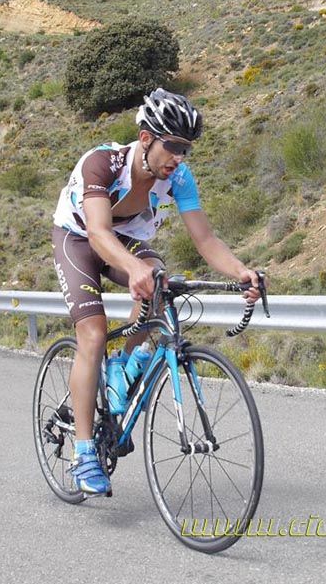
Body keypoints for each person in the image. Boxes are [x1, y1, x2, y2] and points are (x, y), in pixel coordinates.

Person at [51, 88, 263, 496]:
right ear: (146, 138)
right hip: (78, 237)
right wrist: (132, 268)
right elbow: (97, 232)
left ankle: (124, 366)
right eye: (173, 147)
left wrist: (241, 271)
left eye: (186, 149)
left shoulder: (179, 177)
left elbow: (205, 238)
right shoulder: (104, 163)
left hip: (125, 237)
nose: (179, 158)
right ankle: (83, 453)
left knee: (159, 278)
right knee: (93, 334)